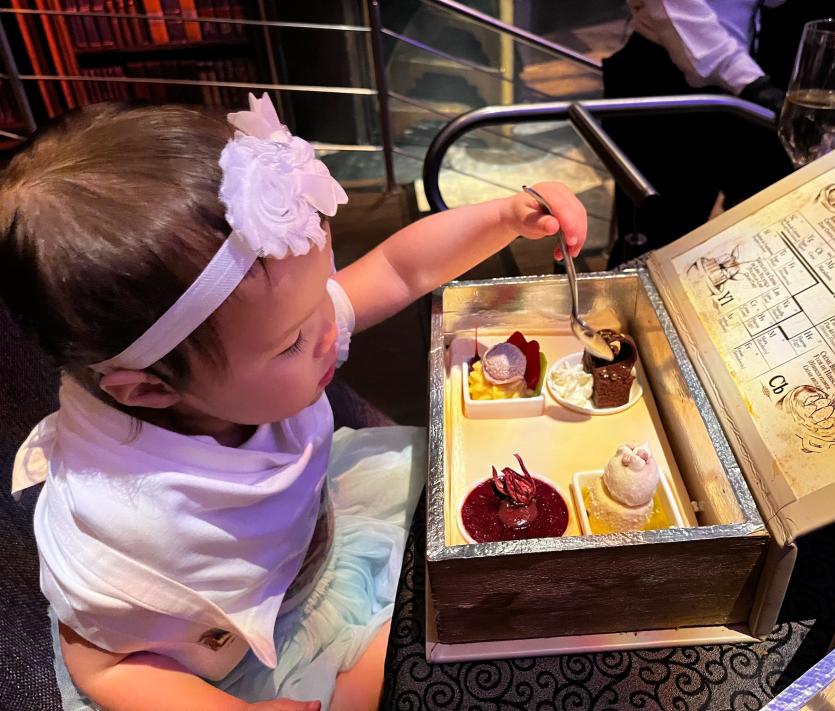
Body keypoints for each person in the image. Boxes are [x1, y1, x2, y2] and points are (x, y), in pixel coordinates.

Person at [0, 95, 587, 711]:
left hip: (319, 537)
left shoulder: (261, 326)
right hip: (244, 658)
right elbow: (107, 668)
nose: (331, 325)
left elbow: (396, 271)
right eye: (292, 341)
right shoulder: (122, 526)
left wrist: (502, 217)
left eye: (322, 291)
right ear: (150, 387)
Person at [603, 0, 794, 267]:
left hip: (737, 75)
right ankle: (619, 306)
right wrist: (754, 85)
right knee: (654, 240)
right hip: (666, 78)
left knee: (690, 236)